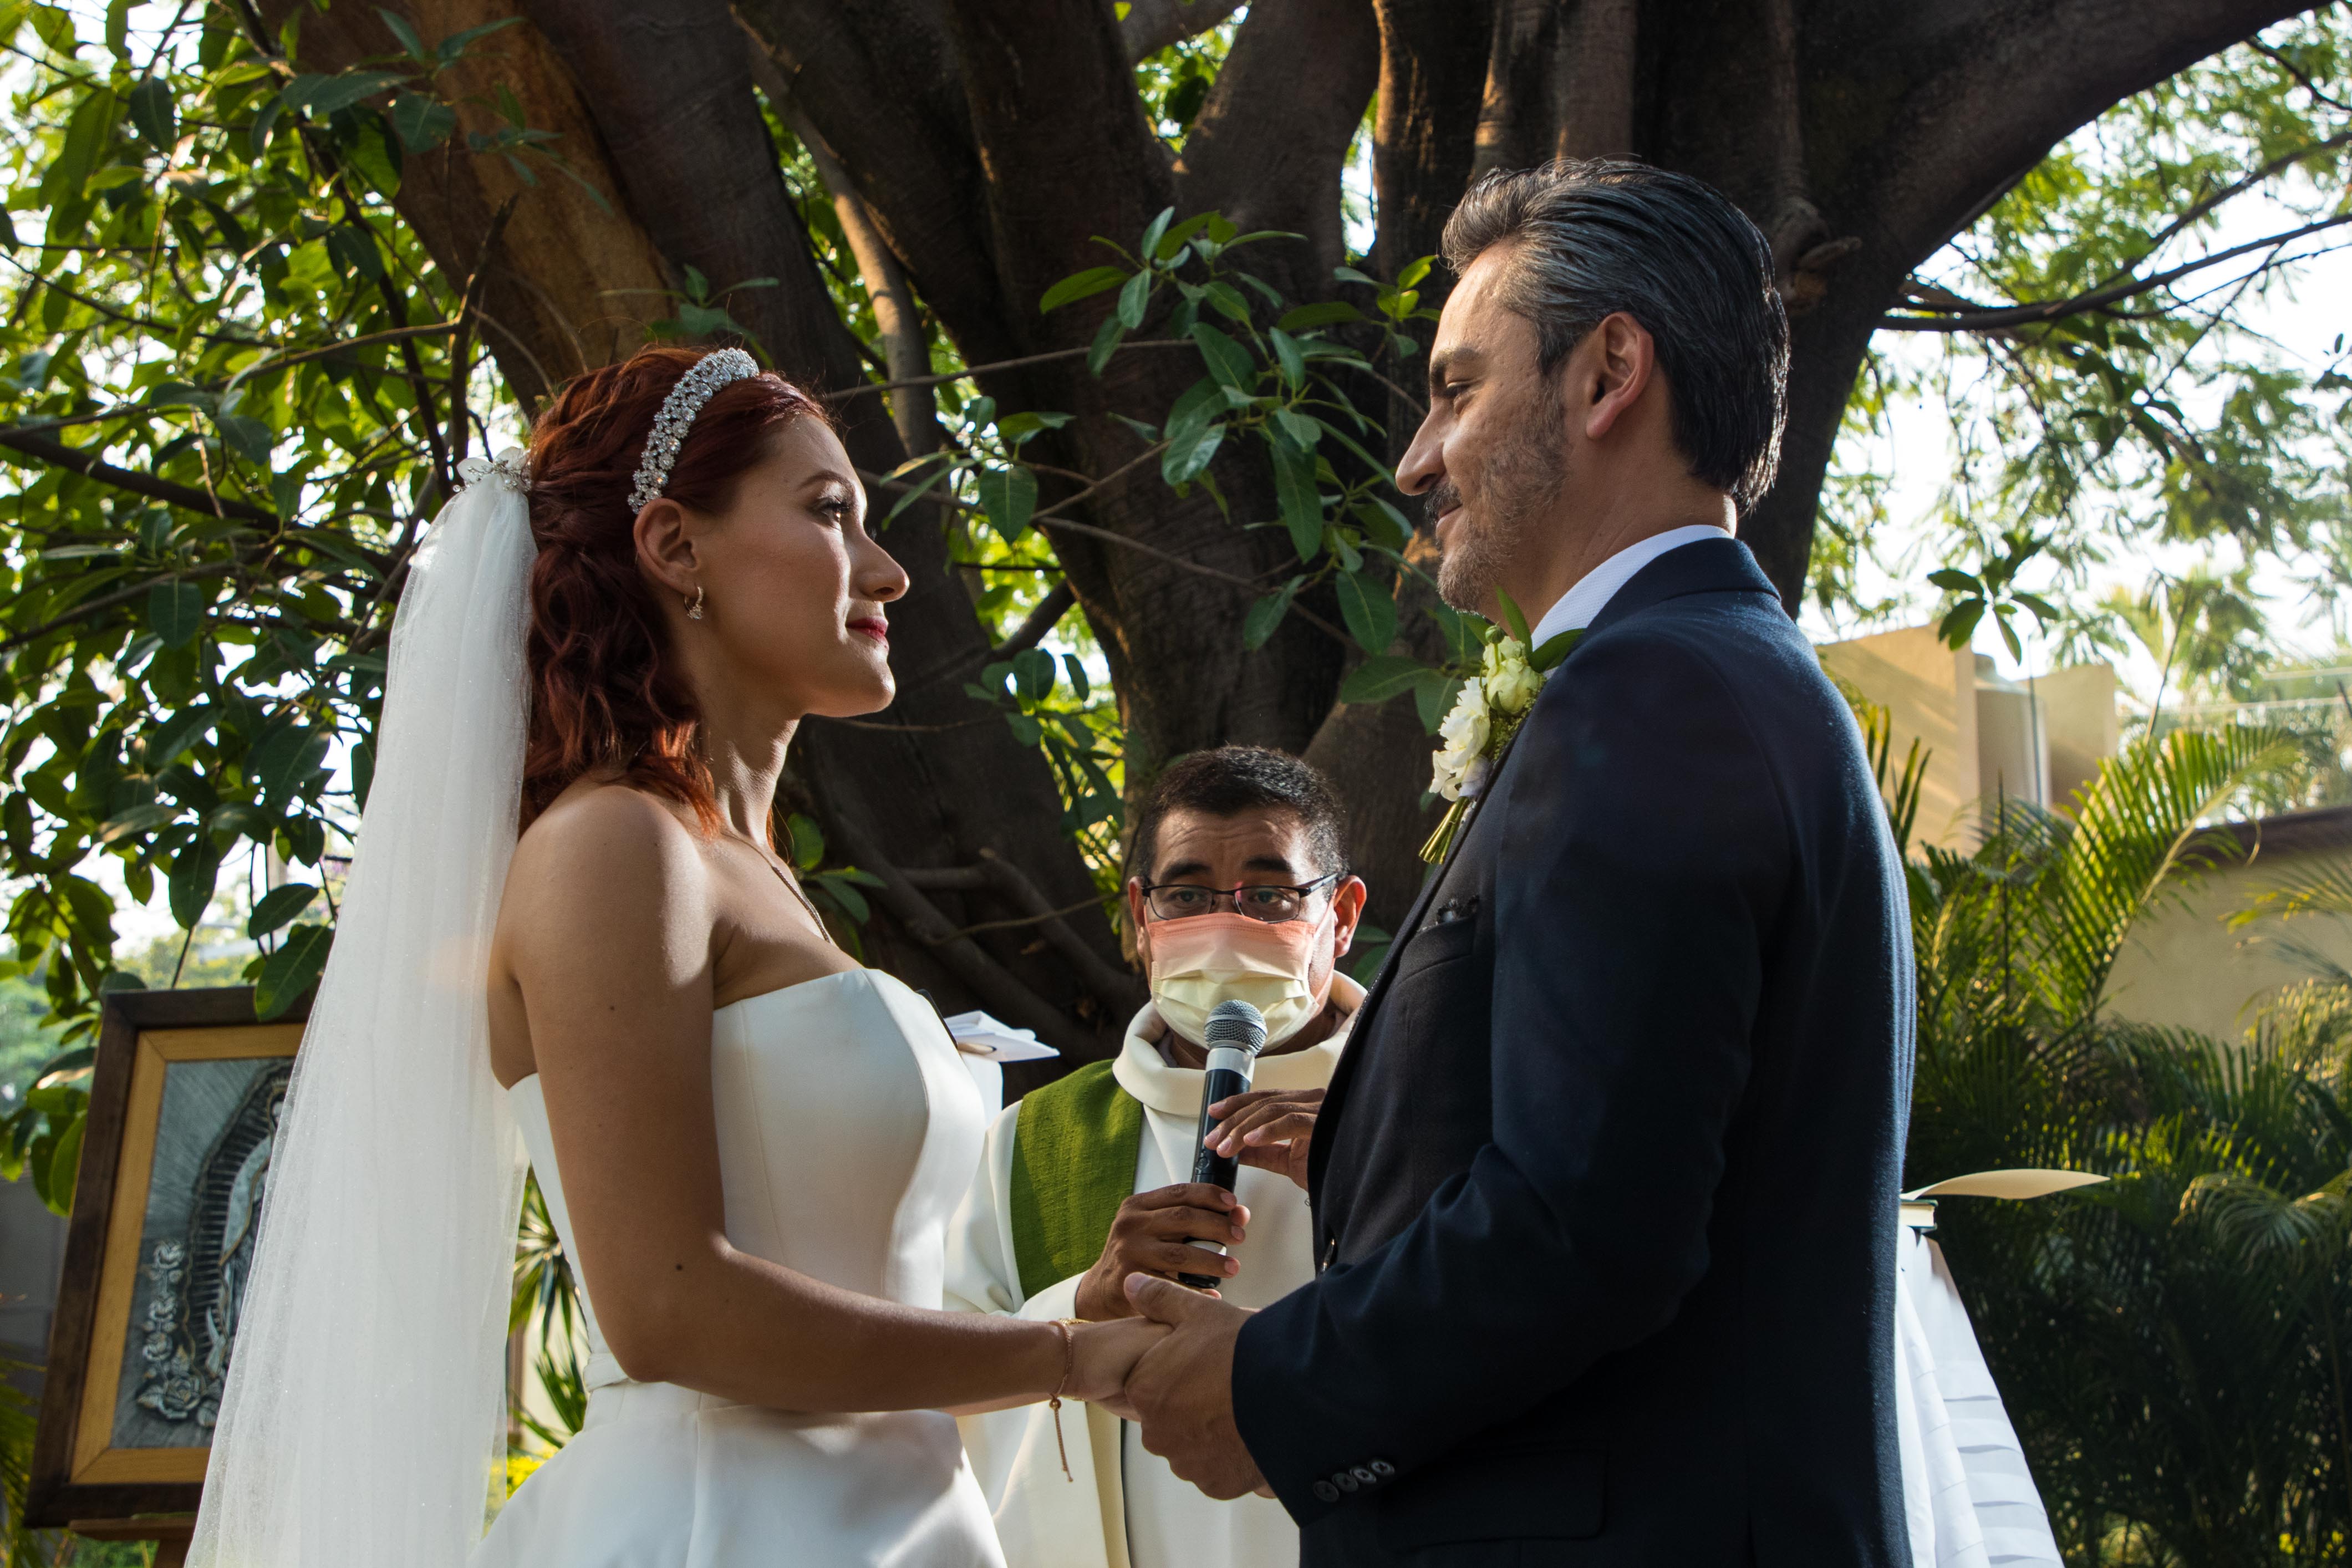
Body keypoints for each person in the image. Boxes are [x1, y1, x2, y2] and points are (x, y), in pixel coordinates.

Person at [189, 345, 1163, 1568]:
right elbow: (666, 1306)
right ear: (673, 545)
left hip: (890, 1524)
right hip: (720, 1526)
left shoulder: (759, 877)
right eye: (830, 512)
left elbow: (868, 1281)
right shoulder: (613, 845)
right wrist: (1066, 1362)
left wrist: (1073, 1313)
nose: (888, 570)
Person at [1119, 159, 1914, 1565]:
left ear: (1608, 373)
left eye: (1455, 389)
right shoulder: (1718, 678)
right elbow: (1633, 1134)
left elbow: (1587, 1222)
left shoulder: (1652, 693)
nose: (1416, 460)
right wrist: (1376, 1133)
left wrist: (1269, 1386)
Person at [946, 746, 1367, 1568]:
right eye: (1187, 895)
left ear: (1342, 916)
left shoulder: (1429, 1103)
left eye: (1269, 894)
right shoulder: (1034, 1139)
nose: (1226, 924)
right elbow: (937, 1390)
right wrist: (1085, 1302)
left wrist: (1370, 1178)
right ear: (1142, 916)